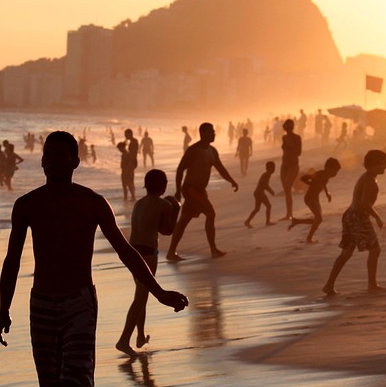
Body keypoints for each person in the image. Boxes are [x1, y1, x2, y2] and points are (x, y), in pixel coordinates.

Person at [0, 132, 187, 387]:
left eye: (60, 155)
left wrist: (159, 292)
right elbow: (12, 260)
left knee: (72, 382)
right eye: (47, 155)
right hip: (41, 302)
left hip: (80, 302)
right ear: (42, 161)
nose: (52, 161)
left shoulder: (92, 203)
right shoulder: (27, 205)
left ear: (76, 161)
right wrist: (3, 309)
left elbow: (127, 251)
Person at [117, 169, 179, 354]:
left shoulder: (139, 203)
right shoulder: (163, 205)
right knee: (141, 297)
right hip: (148, 253)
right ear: (163, 185)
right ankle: (123, 340)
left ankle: (140, 336)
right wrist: (176, 209)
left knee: (141, 293)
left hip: (132, 251)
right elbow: (167, 230)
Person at [166, 122, 239, 261]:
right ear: (203, 133)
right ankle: (213, 250)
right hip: (190, 189)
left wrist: (231, 181)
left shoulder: (212, 151)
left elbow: (220, 168)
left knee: (184, 220)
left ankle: (171, 252)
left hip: (200, 190)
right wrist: (177, 190)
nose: (214, 134)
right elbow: (180, 169)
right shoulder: (193, 150)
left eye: (214, 132)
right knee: (210, 213)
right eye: (211, 132)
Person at [324, 150, 386, 295]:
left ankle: (329, 285)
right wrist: (377, 217)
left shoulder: (365, 177)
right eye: (383, 164)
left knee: (346, 253)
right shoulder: (370, 180)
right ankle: (372, 284)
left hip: (349, 216)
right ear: (374, 165)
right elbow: (365, 203)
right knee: (375, 249)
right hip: (357, 217)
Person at [289, 157, 341, 243]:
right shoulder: (320, 174)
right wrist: (311, 183)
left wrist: (327, 193)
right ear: (329, 169)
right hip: (309, 198)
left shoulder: (326, 176)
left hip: (315, 199)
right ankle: (309, 238)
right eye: (335, 171)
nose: (336, 174)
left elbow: (323, 184)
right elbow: (303, 178)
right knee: (319, 218)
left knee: (317, 219)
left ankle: (297, 221)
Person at [278, 117, 303, 222]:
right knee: (286, 189)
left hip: (293, 165)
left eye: (289, 127)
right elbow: (284, 149)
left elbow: (299, 153)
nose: (287, 129)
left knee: (288, 188)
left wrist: (291, 146)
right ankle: (288, 213)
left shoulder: (297, 138)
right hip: (284, 165)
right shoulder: (284, 138)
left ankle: (290, 214)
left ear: (292, 127)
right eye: (286, 127)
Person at [245, 160, 278, 228]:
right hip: (259, 193)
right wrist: (270, 191)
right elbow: (264, 185)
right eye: (273, 168)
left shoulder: (266, 174)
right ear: (269, 168)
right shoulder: (267, 175)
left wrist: (269, 190)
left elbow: (264, 185)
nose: (274, 169)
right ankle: (267, 222)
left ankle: (247, 221)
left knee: (257, 209)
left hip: (258, 192)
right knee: (268, 206)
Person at [116, 128, 140, 202]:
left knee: (129, 180)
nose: (125, 136)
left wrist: (129, 164)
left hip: (131, 162)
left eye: (126, 134)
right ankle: (130, 197)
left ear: (130, 134)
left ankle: (133, 197)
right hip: (130, 162)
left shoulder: (134, 142)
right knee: (128, 180)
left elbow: (133, 154)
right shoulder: (131, 141)